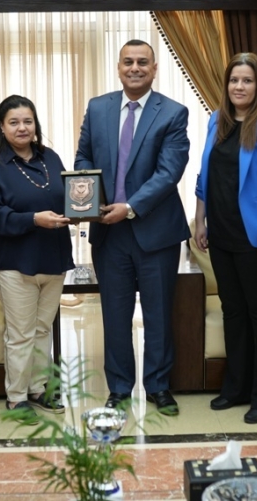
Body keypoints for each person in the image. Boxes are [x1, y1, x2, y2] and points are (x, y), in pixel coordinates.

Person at [75, 39, 190, 416]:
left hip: (156, 233)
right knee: (115, 315)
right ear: (119, 67)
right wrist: (88, 199)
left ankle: (158, 386)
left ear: (154, 69)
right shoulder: (98, 108)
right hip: (109, 233)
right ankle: (119, 388)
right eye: (128, 62)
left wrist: (131, 207)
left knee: (158, 314)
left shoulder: (173, 112)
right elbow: (83, 157)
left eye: (143, 62)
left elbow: (169, 173)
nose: (135, 68)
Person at [192, 52, 257, 424]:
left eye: (247, 80)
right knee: (233, 312)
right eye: (234, 80)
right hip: (222, 235)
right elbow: (205, 176)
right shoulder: (216, 120)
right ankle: (237, 387)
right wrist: (200, 220)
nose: (239, 86)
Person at [0, 95, 73, 423]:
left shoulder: (50, 157)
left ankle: (38, 388)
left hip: (54, 255)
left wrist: (79, 211)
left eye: (27, 121)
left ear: (35, 124)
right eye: (14, 122)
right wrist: (34, 219)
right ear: (1, 127)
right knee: (20, 333)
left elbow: (68, 197)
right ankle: (16, 397)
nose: (22, 128)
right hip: (13, 261)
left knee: (43, 329)